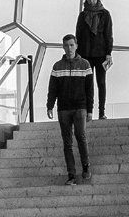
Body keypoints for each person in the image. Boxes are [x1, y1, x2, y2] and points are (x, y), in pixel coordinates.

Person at [46, 33, 93, 184]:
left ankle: (85, 167)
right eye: (66, 45)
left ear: (76, 46)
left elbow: (90, 90)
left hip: (80, 107)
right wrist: (50, 106)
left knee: (81, 136)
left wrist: (90, 110)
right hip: (63, 109)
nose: (69, 48)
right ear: (63, 47)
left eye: (72, 45)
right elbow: (52, 88)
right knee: (67, 143)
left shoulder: (85, 65)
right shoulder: (57, 66)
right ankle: (71, 174)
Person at [74, 0, 113, 120]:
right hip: (86, 54)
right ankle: (88, 112)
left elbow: (109, 35)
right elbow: (78, 35)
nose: (91, 1)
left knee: (101, 83)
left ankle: (102, 112)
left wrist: (109, 53)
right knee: (87, 84)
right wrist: (77, 54)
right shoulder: (82, 15)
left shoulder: (105, 14)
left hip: (101, 54)